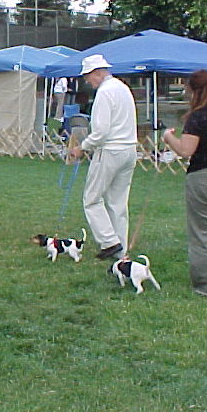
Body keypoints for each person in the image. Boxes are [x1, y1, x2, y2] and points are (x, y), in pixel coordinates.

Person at [163, 69, 207, 297]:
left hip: (206, 178)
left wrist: (168, 137)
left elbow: (185, 150)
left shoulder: (199, 116)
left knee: (204, 233)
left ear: (194, 90)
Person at [69, 54, 137, 260]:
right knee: (117, 202)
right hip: (129, 149)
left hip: (110, 150)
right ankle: (121, 251)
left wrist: (82, 148)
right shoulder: (123, 88)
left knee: (91, 199)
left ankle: (110, 242)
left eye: (88, 77)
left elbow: (100, 131)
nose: (87, 82)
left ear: (97, 73)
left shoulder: (105, 92)